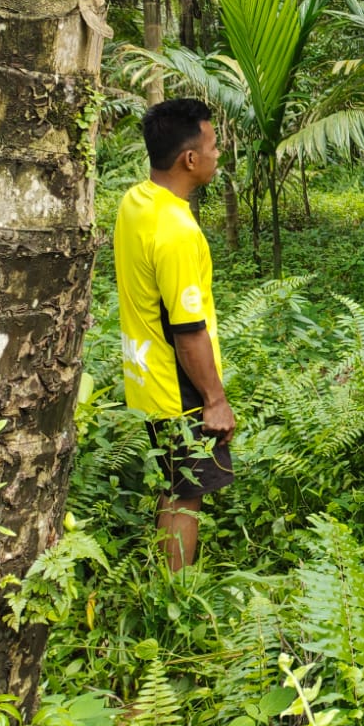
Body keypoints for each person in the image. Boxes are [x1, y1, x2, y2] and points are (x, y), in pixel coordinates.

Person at [114, 98, 234, 570]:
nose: (218, 153)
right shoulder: (176, 231)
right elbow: (187, 331)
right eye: (213, 145)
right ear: (189, 158)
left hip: (147, 378)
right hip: (179, 385)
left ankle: (166, 585)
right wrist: (215, 399)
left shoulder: (136, 201)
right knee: (189, 494)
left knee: (174, 482)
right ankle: (177, 596)